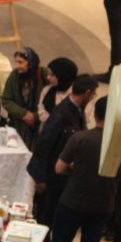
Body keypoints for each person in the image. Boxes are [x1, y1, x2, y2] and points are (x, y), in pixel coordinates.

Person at [51, 96, 121, 242]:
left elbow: (59, 168)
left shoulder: (80, 138)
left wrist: (74, 168)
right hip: (103, 205)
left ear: (95, 114)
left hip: (72, 202)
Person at [27, 74, 98, 225]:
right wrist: (40, 178)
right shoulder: (61, 113)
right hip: (52, 179)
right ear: (87, 93)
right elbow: (43, 145)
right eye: (93, 94)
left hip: (63, 178)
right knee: (45, 219)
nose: (93, 98)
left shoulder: (78, 111)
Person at [1, 47, 47, 150]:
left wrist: (34, 116)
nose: (17, 66)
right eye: (16, 62)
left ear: (30, 62)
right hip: (18, 125)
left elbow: (51, 104)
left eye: (21, 62)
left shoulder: (43, 76)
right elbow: (6, 100)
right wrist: (24, 114)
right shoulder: (14, 76)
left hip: (38, 127)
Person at [38, 57, 78, 124]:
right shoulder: (47, 90)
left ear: (63, 76)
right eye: (48, 74)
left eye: (52, 75)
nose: (48, 77)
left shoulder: (76, 94)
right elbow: (41, 113)